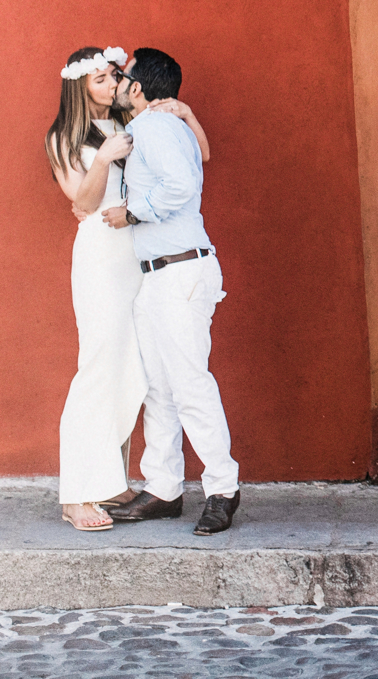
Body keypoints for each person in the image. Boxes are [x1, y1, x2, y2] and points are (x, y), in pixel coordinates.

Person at [102, 48, 239, 535]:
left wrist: (133, 214)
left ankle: (223, 487)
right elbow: (198, 159)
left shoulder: (153, 127)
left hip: (180, 271)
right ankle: (163, 488)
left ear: (137, 88)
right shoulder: (158, 125)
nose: (117, 84)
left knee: (188, 382)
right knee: (159, 386)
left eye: (121, 77)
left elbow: (182, 185)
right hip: (160, 274)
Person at [45, 47, 141, 531]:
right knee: (100, 365)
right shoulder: (65, 136)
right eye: (100, 78)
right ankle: (77, 493)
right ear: (80, 87)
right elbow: (80, 200)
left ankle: (110, 480)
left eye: (112, 75)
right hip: (102, 257)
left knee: (134, 368)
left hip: (138, 254)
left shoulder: (129, 121)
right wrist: (103, 157)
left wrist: (179, 110)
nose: (110, 83)